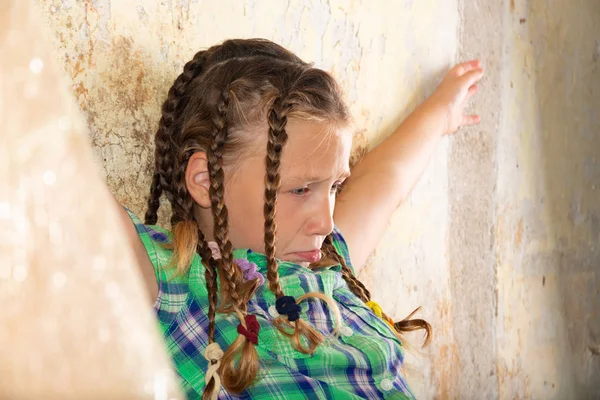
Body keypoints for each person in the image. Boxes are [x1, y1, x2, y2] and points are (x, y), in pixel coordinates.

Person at [116, 38, 483, 399]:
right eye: (301, 190)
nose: (325, 224)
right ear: (207, 182)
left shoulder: (327, 263)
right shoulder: (174, 280)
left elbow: (385, 182)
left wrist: (441, 113)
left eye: (335, 186)